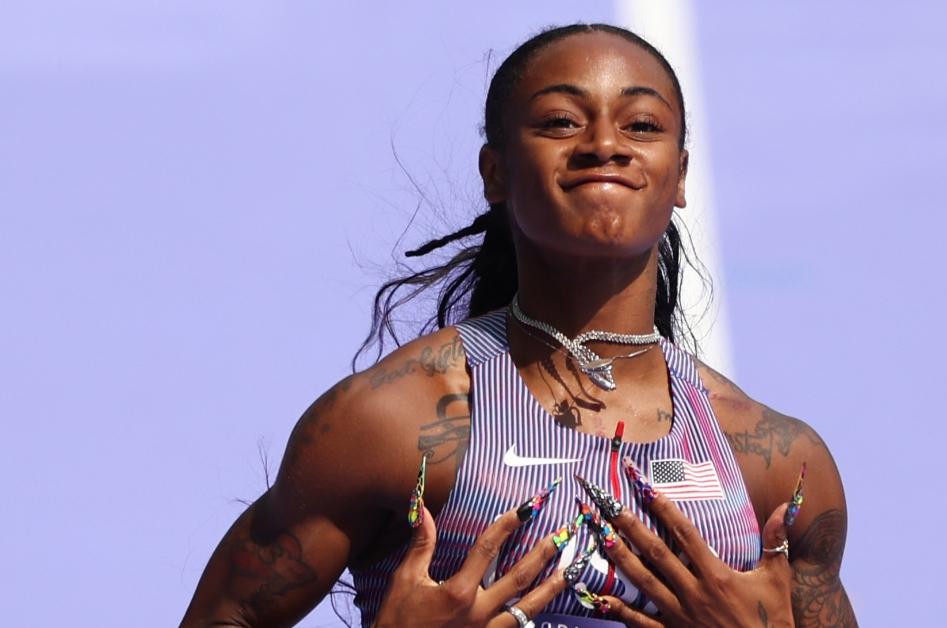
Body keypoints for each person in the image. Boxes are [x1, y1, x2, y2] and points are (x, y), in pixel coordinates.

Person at [181, 23, 856, 628]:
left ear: (679, 176)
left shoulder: (774, 463)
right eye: (562, 121)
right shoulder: (388, 424)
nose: (604, 145)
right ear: (495, 171)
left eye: (642, 126)